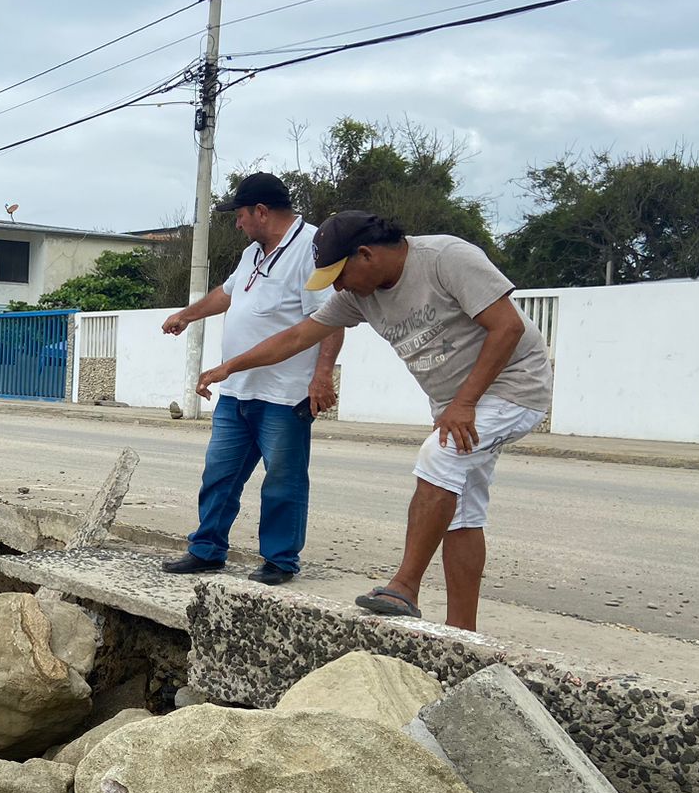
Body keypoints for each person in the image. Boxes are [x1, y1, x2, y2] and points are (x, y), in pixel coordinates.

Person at [195, 210, 553, 631]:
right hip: (457, 404)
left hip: (513, 387)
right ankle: (463, 632)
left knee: (440, 459)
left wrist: (465, 403)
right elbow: (296, 337)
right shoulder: (356, 295)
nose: (338, 286)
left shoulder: (445, 258)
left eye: (339, 274)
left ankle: (403, 586)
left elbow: (507, 327)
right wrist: (230, 366)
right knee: (462, 513)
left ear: (365, 255)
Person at [160, 172, 343, 585]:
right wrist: (187, 315)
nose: (238, 223)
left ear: (261, 211)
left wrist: (322, 376)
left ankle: (280, 560)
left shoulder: (311, 249)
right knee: (219, 474)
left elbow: (331, 320)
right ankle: (207, 550)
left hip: (285, 394)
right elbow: (229, 293)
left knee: (283, 479)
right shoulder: (253, 253)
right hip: (239, 391)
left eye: (240, 215)